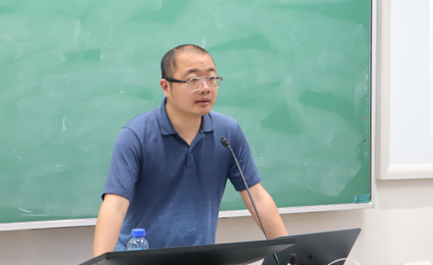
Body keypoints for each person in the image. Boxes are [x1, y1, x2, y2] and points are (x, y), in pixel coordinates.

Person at [92, 44, 287, 256]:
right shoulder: (136, 135)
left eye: (211, 78)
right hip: (141, 259)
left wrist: (289, 253)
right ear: (166, 87)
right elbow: (115, 206)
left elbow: (257, 198)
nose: (205, 88)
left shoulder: (228, 133)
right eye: (193, 80)